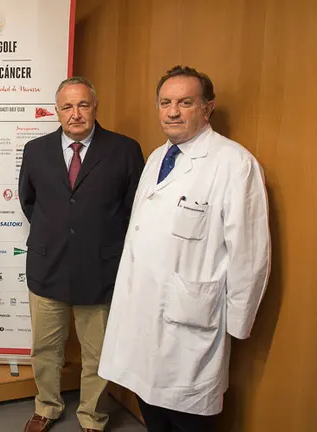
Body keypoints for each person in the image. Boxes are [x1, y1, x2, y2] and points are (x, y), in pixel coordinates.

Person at [98, 66, 271, 432]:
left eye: (184, 102)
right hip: (145, 314)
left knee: (189, 416)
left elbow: (250, 255)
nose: (172, 111)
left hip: (190, 321)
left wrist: (237, 323)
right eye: (165, 102)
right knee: (152, 408)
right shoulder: (159, 158)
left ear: (207, 109)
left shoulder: (234, 164)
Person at [18, 77, 145, 432]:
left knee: (98, 353)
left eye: (83, 105)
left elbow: (134, 207)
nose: (75, 114)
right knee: (44, 350)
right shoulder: (35, 150)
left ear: (95, 108)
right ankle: (46, 406)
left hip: (100, 269)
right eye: (67, 107)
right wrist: (57, 231)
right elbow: (29, 201)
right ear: (56, 111)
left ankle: (92, 415)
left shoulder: (125, 150)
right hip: (47, 265)